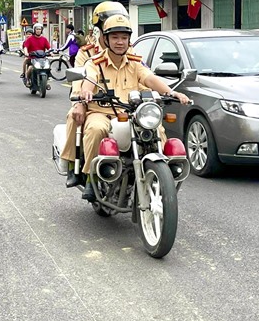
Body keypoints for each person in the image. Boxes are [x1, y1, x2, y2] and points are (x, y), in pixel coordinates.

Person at [77, 14, 191, 201]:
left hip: (131, 113)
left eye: (123, 37)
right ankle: (92, 176)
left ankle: (162, 174)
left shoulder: (135, 62)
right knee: (96, 129)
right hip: (102, 112)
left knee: (157, 129)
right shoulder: (94, 63)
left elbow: (150, 79)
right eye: (114, 37)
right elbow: (89, 80)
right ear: (106, 39)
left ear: (129, 40)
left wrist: (172, 93)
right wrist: (86, 92)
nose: (120, 42)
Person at [59, 1, 130, 187]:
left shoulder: (129, 51)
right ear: (101, 28)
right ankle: (72, 164)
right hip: (94, 104)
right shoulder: (87, 53)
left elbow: (143, 75)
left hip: (123, 106)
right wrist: (79, 101)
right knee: (75, 116)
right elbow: (79, 80)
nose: (119, 40)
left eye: (123, 35)